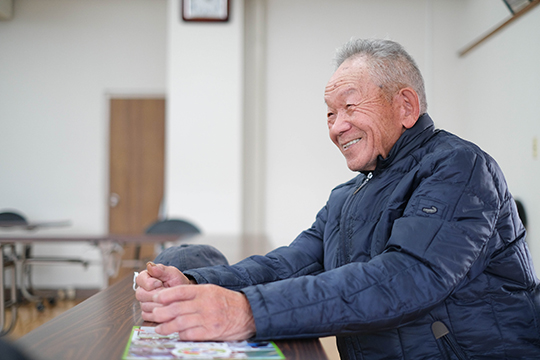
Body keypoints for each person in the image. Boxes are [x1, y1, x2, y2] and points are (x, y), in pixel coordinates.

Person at [136, 38, 540, 359]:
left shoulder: (459, 166)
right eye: (329, 114)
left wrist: (247, 311)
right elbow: (287, 265)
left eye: (349, 106)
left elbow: (405, 279)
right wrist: (196, 282)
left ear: (406, 106)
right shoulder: (348, 194)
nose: (337, 127)